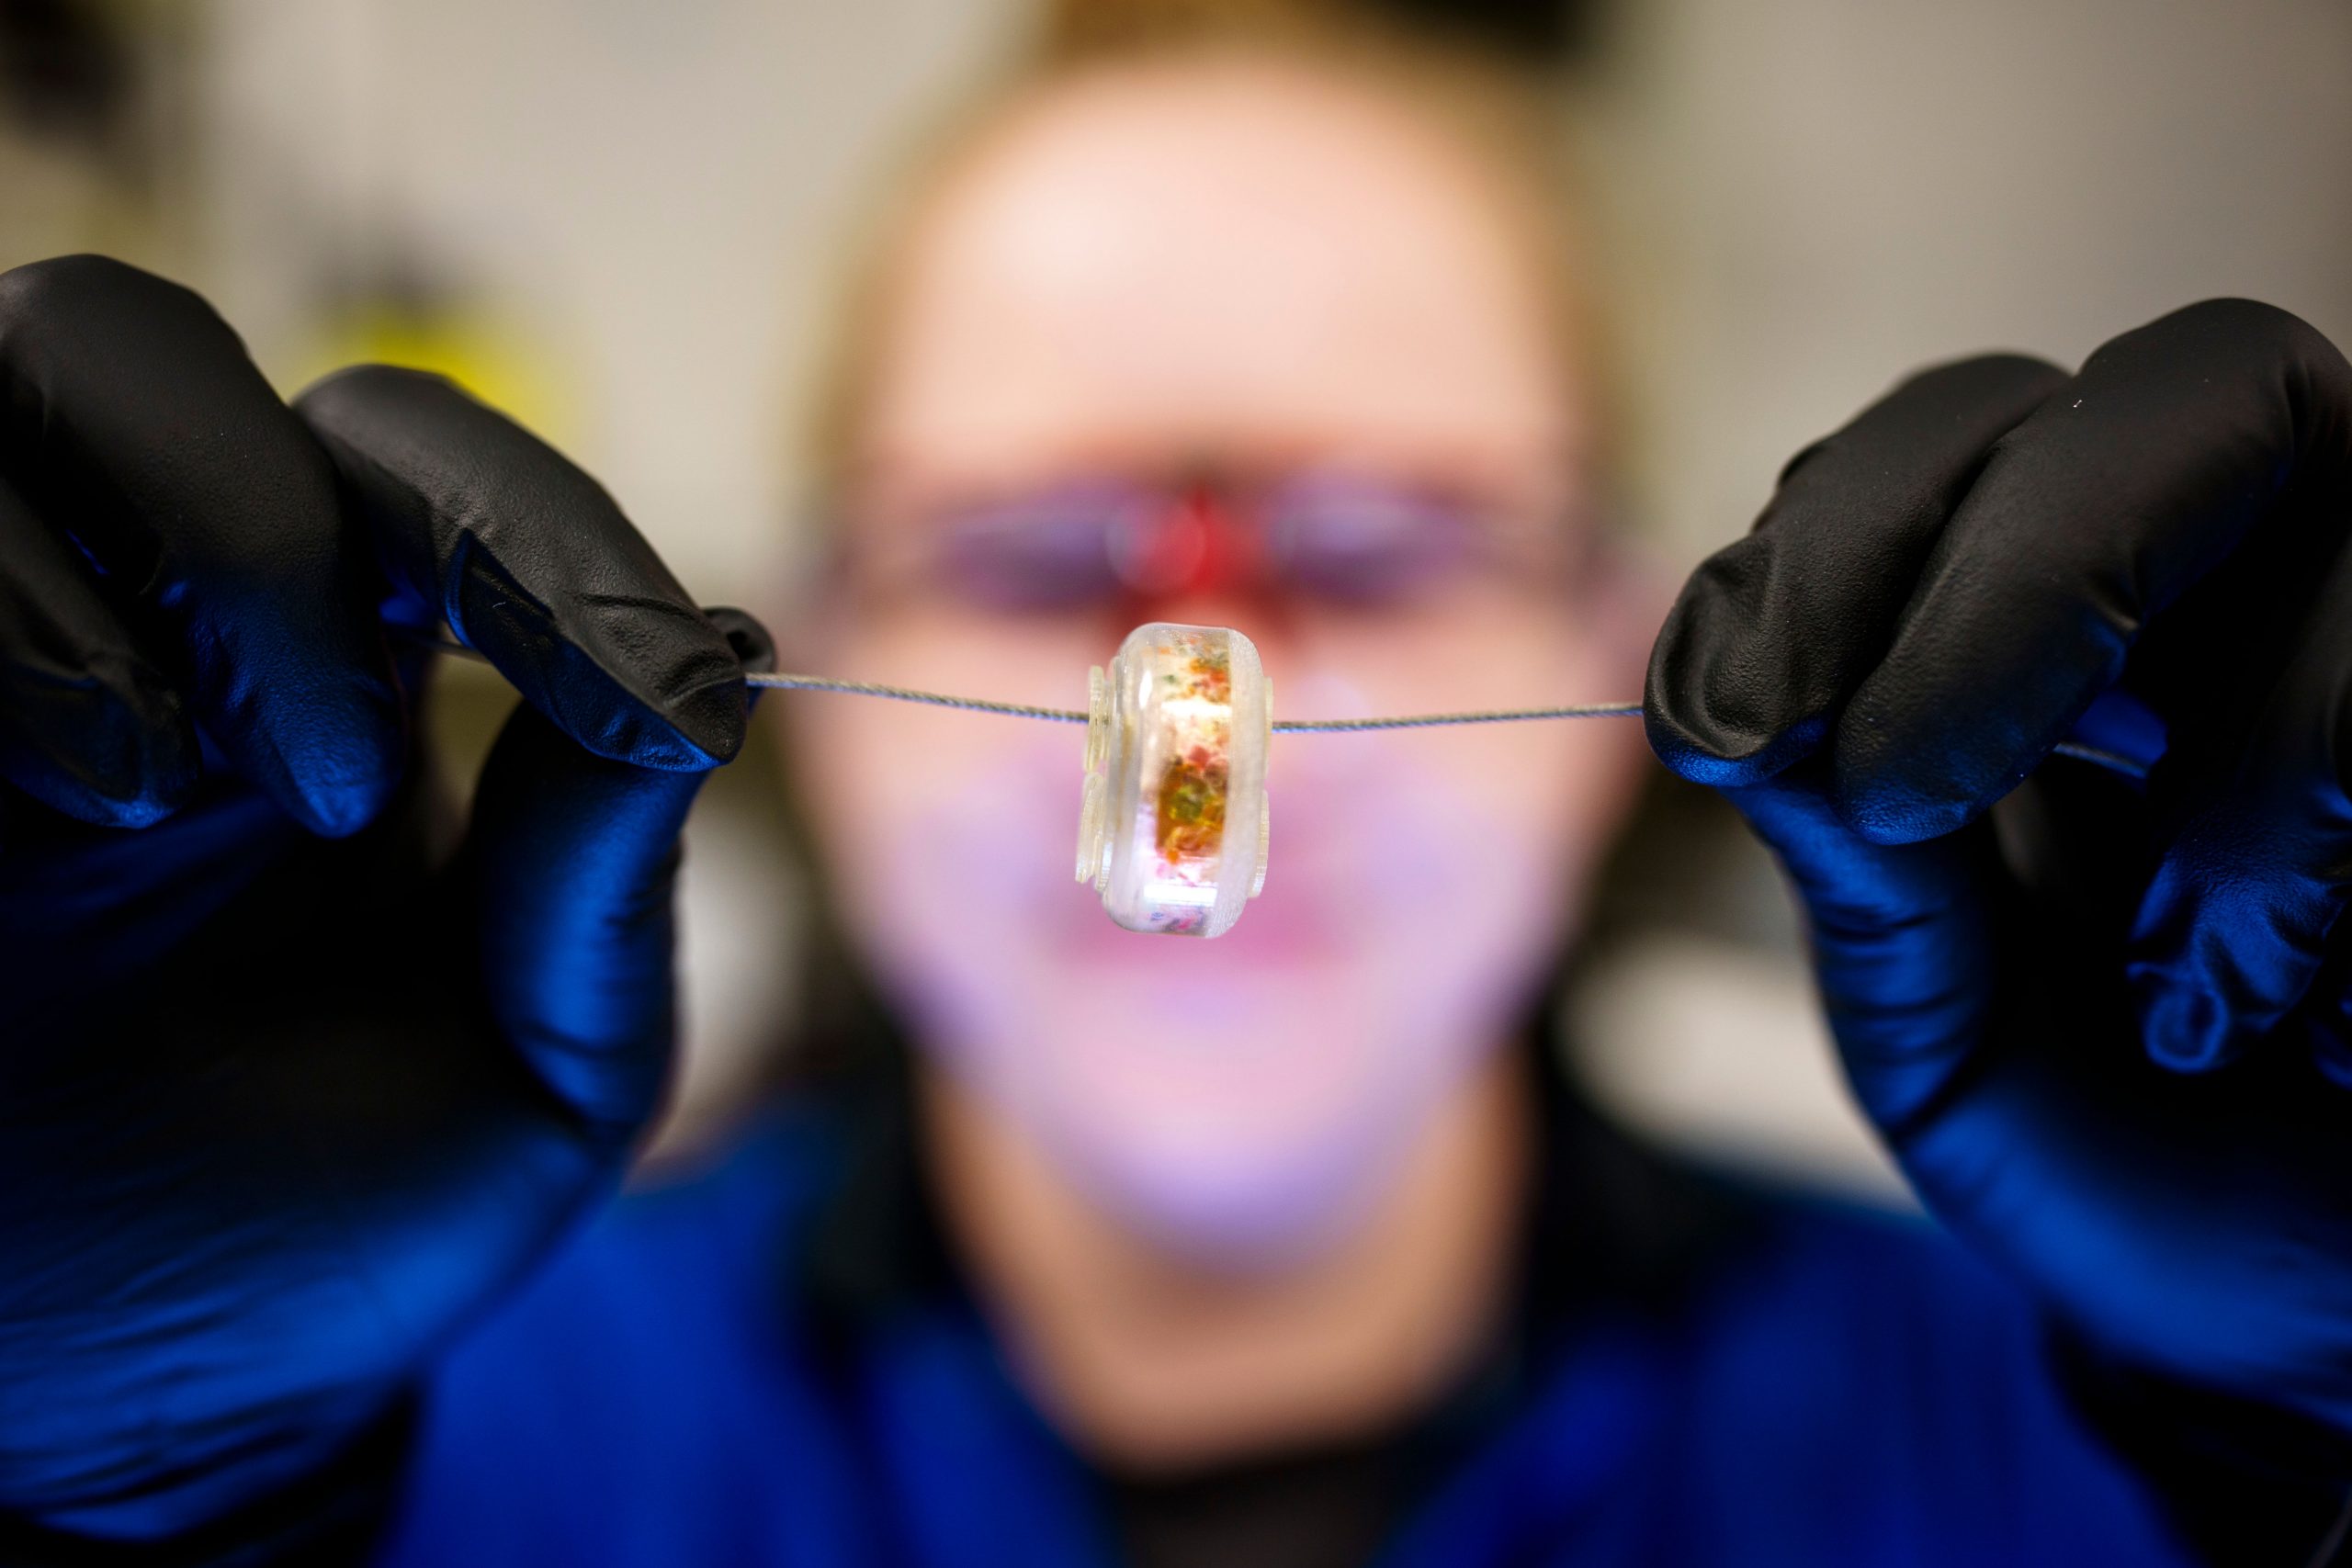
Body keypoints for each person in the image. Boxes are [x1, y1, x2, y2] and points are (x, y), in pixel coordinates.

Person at [4, 6, 2352, 1565]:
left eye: (1383, 541)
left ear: (1620, 639)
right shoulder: (422, 1443)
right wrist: (119, 1512)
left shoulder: (2081, 1449)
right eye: (1033, 550)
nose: (1212, 659)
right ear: (810, 645)